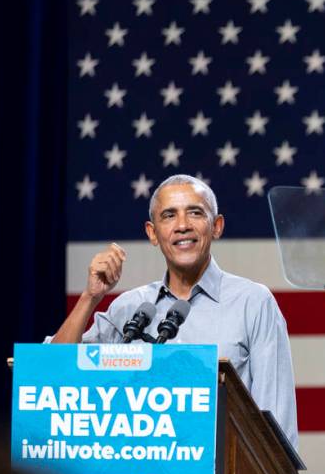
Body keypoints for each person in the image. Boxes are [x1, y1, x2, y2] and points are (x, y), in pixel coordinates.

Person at [50, 174, 298, 451]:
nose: (182, 226)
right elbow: (52, 374)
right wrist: (90, 297)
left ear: (216, 226)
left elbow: (275, 427)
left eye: (195, 213)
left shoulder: (253, 303)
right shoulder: (129, 308)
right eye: (169, 215)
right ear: (152, 233)